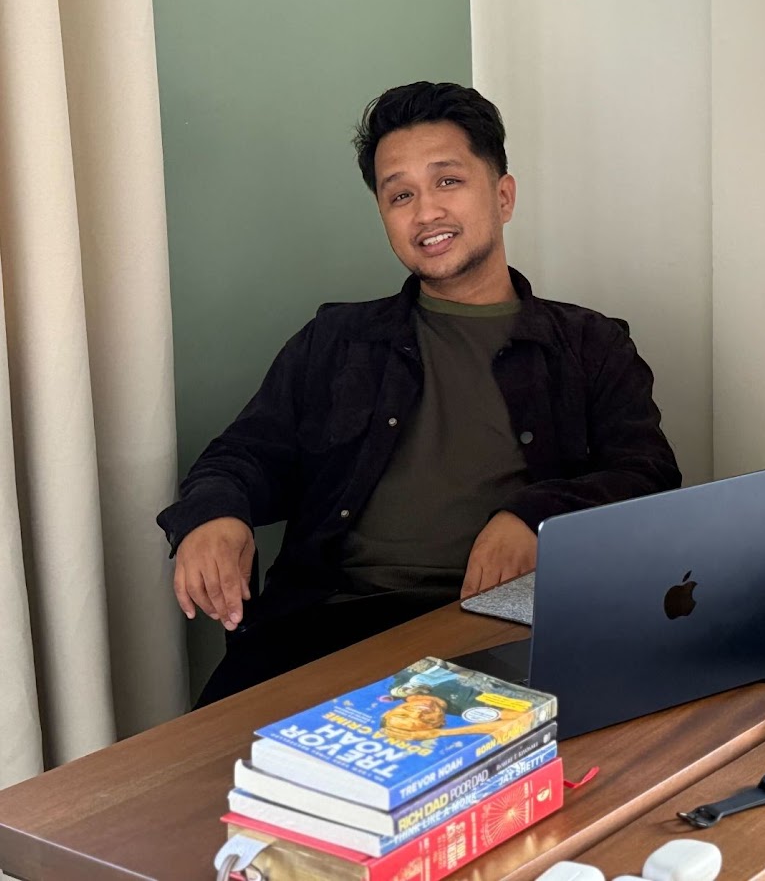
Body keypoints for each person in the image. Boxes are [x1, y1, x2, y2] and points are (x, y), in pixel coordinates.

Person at [157, 81, 680, 704]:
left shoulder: (590, 345)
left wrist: (536, 516)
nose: (426, 212)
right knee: (207, 760)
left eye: (448, 181)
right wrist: (213, 515)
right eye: (400, 194)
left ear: (503, 196)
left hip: (509, 626)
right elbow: (242, 455)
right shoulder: (337, 341)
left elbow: (647, 475)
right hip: (328, 630)